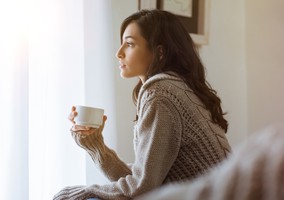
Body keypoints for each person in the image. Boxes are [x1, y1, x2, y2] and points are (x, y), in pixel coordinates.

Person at [53, 9, 231, 200]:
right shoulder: (173, 87)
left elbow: (142, 188)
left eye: (129, 44)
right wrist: (95, 145)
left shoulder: (161, 93)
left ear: (159, 52)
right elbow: (144, 180)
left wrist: (87, 191)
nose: (118, 53)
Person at [135, 123, 284, 200]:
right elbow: (143, 175)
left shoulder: (159, 92)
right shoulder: (183, 86)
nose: (118, 61)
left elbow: (143, 185)